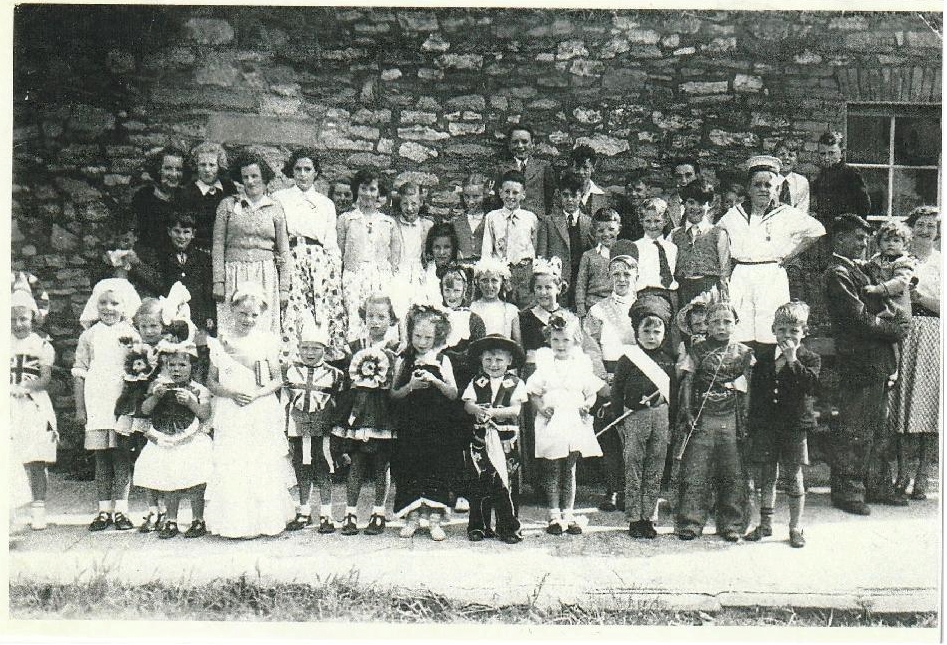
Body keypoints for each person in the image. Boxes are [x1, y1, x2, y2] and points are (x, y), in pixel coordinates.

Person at [822, 214, 910, 515]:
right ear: (840, 239)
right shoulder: (837, 273)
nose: (864, 243)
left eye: (865, 238)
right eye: (858, 238)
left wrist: (893, 321)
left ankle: (875, 485)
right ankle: (848, 491)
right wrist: (894, 329)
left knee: (876, 425)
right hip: (858, 360)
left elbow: (886, 305)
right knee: (854, 426)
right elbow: (857, 317)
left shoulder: (862, 269)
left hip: (877, 360)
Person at [205, 286, 296, 538]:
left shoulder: (267, 341)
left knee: (260, 462)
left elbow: (277, 379)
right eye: (243, 313)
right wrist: (231, 393)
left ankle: (266, 521)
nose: (248, 319)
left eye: (254, 315)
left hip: (259, 408)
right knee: (234, 462)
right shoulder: (220, 342)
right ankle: (235, 523)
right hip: (231, 409)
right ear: (232, 310)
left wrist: (257, 394)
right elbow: (211, 381)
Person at [717, 155, 825, 352]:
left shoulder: (785, 213)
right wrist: (724, 274)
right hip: (742, 274)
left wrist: (791, 255)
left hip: (771, 275)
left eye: (768, 185)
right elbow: (719, 234)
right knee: (741, 329)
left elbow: (816, 230)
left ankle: (767, 376)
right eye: (757, 185)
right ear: (748, 189)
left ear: (775, 188)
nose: (763, 189)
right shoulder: (735, 214)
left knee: (770, 330)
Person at [743, 301, 820, 549]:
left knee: (793, 476)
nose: (787, 336)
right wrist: (753, 424)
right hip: (767, 426)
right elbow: (757, 394)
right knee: (767, 475)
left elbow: (811, 386)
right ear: (774, 330)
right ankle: (765, 524)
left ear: (804, 332)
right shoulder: (764, 358)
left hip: (793, 427)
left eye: (794, 331)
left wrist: (792, 359)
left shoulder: (810, 358)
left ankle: (795, 527)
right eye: (782, 330)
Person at [675, 302, 754, 541]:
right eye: (715, 322)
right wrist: (687, 412)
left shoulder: (744, 353)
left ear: (735, 324)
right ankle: (691, 522)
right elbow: (687, 382)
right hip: (703, 416)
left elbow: (750, 387)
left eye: (727, 322)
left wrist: (746, 418)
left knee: (733, 472)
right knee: (696, 471)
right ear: (707, 325)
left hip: (732, 418)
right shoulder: (698, 350)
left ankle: (732, 523)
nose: (721, 326)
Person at [72, 279, 142, 531]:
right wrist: (81, 409)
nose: (108, 308)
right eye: (103, 302)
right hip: (98, 403)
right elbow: (79, 372)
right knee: (102, 458)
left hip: (121, 403)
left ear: (124, 306)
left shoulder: (132, 335)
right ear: (95, 304)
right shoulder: (89, 335)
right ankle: (103, 510)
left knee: (122, 456)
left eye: (115, 303)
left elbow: (138, 371)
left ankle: (121, 510)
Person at [526, 315, 603, 536]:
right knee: (552, 468)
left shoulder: (581, 365)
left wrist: (587, 405)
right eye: (556, 340)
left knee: (569, 469)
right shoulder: (545, 364)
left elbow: (591, 393)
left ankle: (568, 514)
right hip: (552, 422)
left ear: (576, 341)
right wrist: (541, 407)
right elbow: (534, 392)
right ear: (549, 340)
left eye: (566, 340)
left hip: (574, 421)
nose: (560, 345)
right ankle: (553, 514)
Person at [332, 295, 400, 536]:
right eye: (370, 316)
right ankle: (350, 513)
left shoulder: (396, 349)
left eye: (381, 317)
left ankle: (378, 512)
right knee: (357, 462)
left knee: (382, 464)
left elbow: (397, 381)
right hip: (358, 413)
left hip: (383, 413)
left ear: (391, 320)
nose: (375, 321)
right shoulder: (354, 347)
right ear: (363, 317)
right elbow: (345, 378)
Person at [272, 148, 347, 365]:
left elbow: (330, 242)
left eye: (308, 169)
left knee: (320, 312)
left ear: (316, 173)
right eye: (298, 169)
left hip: (318, 262)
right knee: (293, 312)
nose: (303, 174)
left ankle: (321, 364)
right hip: (290, 257)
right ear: (291, 172)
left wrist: (334, 271)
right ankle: (290, 364)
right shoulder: (279, 198)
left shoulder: (325, 203)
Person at [390, 305, 458, 541]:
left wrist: (436, 381)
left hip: (437, 425)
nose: (422, 341)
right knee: (411, 468)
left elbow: (453, 393)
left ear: (437, 336)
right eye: (417, 336)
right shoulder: (404, 359)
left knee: (435, 467)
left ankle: (434, 519)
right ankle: (412, 517)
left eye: (428, 337)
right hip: (411, 425)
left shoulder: (442, 359)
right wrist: (410, 386)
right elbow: (393, 393)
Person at [611, 297, 676, 539]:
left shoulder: (668, 360)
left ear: (664, 333)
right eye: (646, 331)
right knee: (634, 467)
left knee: (655, 467)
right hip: (634, 418)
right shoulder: (628, 359)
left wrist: (672, 423)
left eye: (656, 331)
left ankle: (649, 517)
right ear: (636, 332)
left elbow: (675, 394)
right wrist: (619, 421)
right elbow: (617, 390)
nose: (651, 336)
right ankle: (634, 518)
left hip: (661, 417)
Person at [135, 338, 213, 539]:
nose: (176, 369)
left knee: (196, 480)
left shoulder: (199, 389)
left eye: (182, 364)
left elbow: (205, 414)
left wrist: (191, 403)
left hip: (190, 440)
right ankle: (171, 520)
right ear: (165, 366)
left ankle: (198, 520)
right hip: (166, 439)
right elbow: (144, 410)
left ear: (192, 366)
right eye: (172, 365)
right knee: (170, 479)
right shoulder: (159, 385)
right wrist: (155, 397)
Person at [889, 206, 941, 501]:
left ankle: (923, 475)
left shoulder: (941, 262)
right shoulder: (902, 260)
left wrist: (922, 298)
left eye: (930, 227)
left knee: (929, 407)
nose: (924, 231)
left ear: (937, 232)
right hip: (905, 332)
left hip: (933, 333)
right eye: (920, 225)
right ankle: (902, 474)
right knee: (904, 405)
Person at [212, 150, 291, 336]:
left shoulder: (275, 207)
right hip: (234, 272)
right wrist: (218, 280)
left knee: (262, 327)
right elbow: (217, 244)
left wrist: (284, 288)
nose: (250, 181)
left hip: (264, 273)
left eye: (255, 176)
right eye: (245, 177)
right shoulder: (228, 205)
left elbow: (284, 249)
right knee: (232, 326)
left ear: (264, 178)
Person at [584, 255, 639, 512]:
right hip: (607, 374)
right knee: (609, 435)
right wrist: (601, 378)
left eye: (627, 274)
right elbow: (590, 347)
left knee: (634, 435)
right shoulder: (597, 310)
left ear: (635, 276)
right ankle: (613, 488)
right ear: (609, 277)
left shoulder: (644, 307)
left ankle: (632, 489)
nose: (621, 279)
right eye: (616, 274)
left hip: (635, 375)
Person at [282, 315, 345, 534]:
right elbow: (285, 401)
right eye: (305, 347)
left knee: (323, 470)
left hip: (322, 429)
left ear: (325, 350)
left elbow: (339, 404)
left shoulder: (335, 375)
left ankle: (326, 514)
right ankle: (304, 512)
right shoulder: (289, 371)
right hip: (297, 428)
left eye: (315, 348)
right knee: (302, 470)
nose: (309, 353)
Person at [463, 334, 528, 544]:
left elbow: (516, 409)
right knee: (480, 480)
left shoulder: (515, 383)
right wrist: (476, 409)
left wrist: (493, 413)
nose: (493, 364)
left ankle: (508, 526)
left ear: (509, 360)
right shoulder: (477, 381)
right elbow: (467, 404)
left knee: (506, 482)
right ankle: (478, 525)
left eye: (499, 360)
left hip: (505, 439)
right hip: (481, 439)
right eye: (488, 360)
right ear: (481, 360)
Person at [115, 298, 168, 532]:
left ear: (163, 326)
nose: (149, 331)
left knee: (162, 459)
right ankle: (152, 509)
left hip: (162, 410)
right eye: (144, 327)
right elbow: (129, 377)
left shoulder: (167, 350)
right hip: (140, 410)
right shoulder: (135, 351)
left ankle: (166, 510)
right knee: (144, 460)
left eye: (154, 326)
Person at [10, 289, 58, 530]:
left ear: (33, 318)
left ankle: (38, 509)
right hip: (8, 406)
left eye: (23, 319)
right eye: (12, 320)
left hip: (34, 405)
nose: (18, 324)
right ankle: (10, 511)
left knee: (36, 459)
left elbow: (45, 378)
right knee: (9, 459)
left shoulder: (41, 344)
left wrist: (26, 386)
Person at [337, 169, 402, 340]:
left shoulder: (388, 222)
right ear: (356, 190)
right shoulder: (346, 219)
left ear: (379, 192)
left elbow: (395, 257)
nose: (368, 194)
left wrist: (389, 277)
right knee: (356, 319)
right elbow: (339, 252)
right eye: (364, 188)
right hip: (354, 277)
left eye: (372, 189)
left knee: (379, 318)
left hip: (380, 277)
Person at [481, 170, 539, 308]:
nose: (510, 196)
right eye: (507, 192)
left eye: (515, 193)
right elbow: (487, 250)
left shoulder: (531, 218)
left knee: (525, 309)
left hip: (525, 273)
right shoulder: (492, 217)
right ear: (500, 192)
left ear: (523, 194)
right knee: (503, 309)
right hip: (501, 271)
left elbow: (535, 249)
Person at [668, 180, 731, 306]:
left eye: (701, 203)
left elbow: (725, 270)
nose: (695, 208)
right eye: (691, 202)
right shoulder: (674, 235)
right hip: (683, 291)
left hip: (710, 291)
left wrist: (724, 297)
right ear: (684, 204)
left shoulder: (718, 233)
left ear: (709, 205)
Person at [536, 171, 594, 306]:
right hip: (557, 280)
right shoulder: (549, 221)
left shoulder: (589, 223)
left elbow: (592, 253)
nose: (570, 200)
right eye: (565, 195)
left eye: (574, 196)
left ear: (581, 196)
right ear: (560, 195)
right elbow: (542, 257)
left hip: (580, 279)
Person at [179, 142, 237, 253]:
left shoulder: (228, 188)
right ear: (196, 166)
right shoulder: (188, 192)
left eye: (212, 165)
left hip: (227, 249)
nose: (207, 169)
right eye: (202, 165)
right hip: (199, 250)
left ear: (219, 166)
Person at [131, 146, 187, 255]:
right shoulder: (143, 197)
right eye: (168, 168)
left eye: (179, 169)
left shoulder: (185, 197)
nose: (174, 174)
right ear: (158, 169)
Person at [392, 182, 436, 318]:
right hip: (399, 272)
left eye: (414, 204)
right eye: (405, 204)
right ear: (399, 203)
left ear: (421, 202)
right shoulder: (392, 224)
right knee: (399, 310)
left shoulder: (427, 225)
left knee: (420, 311)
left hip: (420, 274)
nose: (409, 208)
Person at [493, 124, 556, 219]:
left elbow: (551, 198)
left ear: (533, 143)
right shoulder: (501, 169)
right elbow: (497, 200)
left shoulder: (543, 167)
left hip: (536, 222)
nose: (520, 146)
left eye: (524, 142)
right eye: (515, 142)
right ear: (509, 145)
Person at [626, 198, 678, 311]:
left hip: (669, 297)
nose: (652, 225)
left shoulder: (672, 248)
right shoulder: (635, 247)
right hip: (643, 297)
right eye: (648, 221)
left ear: (665, 221)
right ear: (641, 221)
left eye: (657, 221)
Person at [862, 219, 916, 322]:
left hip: (897, 308)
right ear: (879, 243)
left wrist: (878, 289)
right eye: (886, 240)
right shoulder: (876, 259)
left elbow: (901, 281)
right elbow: (868, 268)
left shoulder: (904, 262)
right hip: (880, 306)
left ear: (904, 245)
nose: (891, 244)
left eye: (896, 240)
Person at [575, 208, 621, 319]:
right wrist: (581, 309)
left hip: (617, 307)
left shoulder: (624, 254)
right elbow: (581, 285)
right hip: (593, 307)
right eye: (600, 230)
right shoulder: (588, 256)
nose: (606, 234)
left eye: (611, 229)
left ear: (619, 229)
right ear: (594, 231)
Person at [469, 258, 522, 344]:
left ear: (501, 282)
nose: (489, 286)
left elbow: (518, 344)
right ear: (477, 282)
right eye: (484, 280)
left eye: (494, 280)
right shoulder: (472, 308)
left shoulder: (511, 310)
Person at [454, 173, 489, 261]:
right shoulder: (456, 222)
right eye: (467, 196)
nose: (471, 201)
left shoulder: (491, 220)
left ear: (485, 195)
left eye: (476, 196)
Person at [571, 145, 611, 217]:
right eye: (577, 167)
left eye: (585, 168)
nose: (581, 172)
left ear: (593, 168)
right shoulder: (561, 195)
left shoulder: (604, 195)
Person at [774, 139, 810, 214]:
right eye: (782, 154)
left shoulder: (802, 182)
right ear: (775, 158)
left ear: (796, 160)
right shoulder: (769, 179)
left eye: (791, 155)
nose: (786, 158)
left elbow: (803, 210)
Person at [613, 169, 650, 241]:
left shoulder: (656, 211)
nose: (633, 194)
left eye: (638, 190)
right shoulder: (618, 213)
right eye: (630, 190)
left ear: (647, 190)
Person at [666, 157, 701, 229]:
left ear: (697, 176)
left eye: (688, 175)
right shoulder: (666, 204)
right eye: (679, 176)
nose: (684, 181)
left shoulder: (707, 204)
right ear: (674, 179)